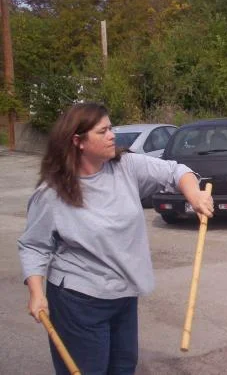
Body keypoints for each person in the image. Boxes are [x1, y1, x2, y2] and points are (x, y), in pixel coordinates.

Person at [17, 103, 214, 375]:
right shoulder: (53, 191)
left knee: (122, 367)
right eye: (103, 131)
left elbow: (176, 171)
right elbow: (34, 246)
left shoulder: (126, 166)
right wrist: (36, 294)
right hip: (78, 301)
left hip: (123, 294)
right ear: (78, 141)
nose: (112, 136)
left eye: (111, 128)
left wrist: (195, 195)